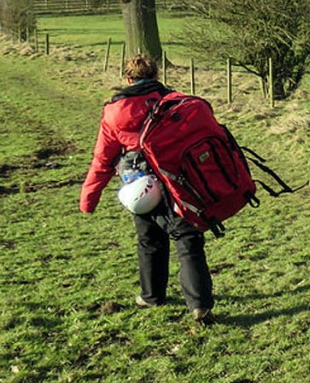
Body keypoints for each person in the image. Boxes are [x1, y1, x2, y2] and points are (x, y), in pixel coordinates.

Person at [80, 54, 214, 323]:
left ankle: (152, 296)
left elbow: (103, 160)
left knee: (149, 240)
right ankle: (199, 305)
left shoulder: (114, 111)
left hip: (140, 184)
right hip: (179, 181)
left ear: (128, 79)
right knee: (188, 241)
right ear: (156, 76)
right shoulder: (175, 102)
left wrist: (88, 199)